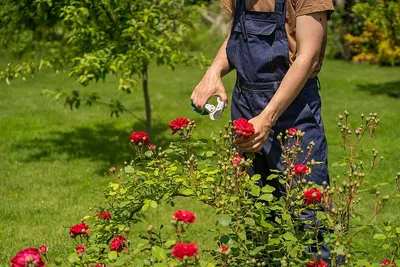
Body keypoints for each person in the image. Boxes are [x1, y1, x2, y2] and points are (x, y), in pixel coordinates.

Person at [191, 0, 334, 262]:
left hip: (294, 112)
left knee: (310, 217)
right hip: (245, 105)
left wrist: (267, 117)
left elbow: (308, 57)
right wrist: (214, 70)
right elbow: (236, 38)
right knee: (257, 214)